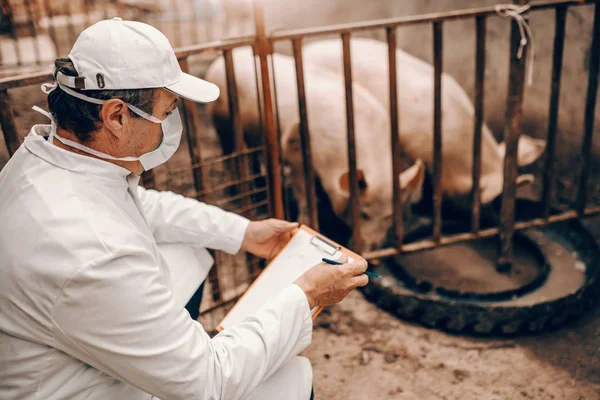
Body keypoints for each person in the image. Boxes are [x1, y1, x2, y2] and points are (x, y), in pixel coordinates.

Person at [0, 18, 369, 400]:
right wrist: (306, 295)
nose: (172, 122)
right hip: (77, 390)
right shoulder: (94, 252)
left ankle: (168, 349)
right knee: (290, 376)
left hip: (71, 347)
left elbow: (147, 207)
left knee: (187, 252)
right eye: (168, 109)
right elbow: (208, 382)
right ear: (117, 117)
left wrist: (243, 233)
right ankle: (174, 356)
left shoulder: (49, 159)